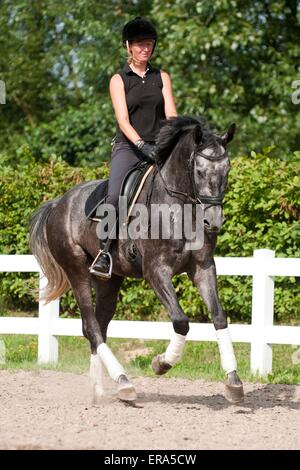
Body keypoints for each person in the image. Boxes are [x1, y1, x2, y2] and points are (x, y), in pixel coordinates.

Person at [90, 17, 177, 278]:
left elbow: (171, 112)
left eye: (149, 44)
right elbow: (122, 119)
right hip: (129, 147)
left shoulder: (162, 76)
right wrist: (140, 144)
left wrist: (175, 139)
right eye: (139, 45)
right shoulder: (119, 79)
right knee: (116, 195)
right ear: (128, 46)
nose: (145, 49)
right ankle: (104, 253)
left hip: (160, 145)